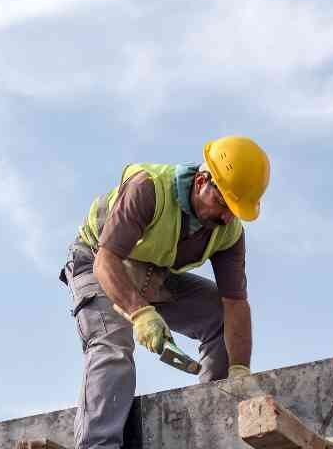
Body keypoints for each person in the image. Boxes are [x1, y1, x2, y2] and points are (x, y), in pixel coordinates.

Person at [59, 135, 270, 449]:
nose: (227, 216)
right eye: (224, 203)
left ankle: (217, 427)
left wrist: (240, 369)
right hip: (97, 261)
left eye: (235, 210)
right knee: (112, 346)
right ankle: (97, 445)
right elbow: (107, 261)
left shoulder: (228, 233)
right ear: (201, 181)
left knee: (219, 316)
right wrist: (141, 313)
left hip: (152, 273)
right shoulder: (148, 189)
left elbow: (235, 303)